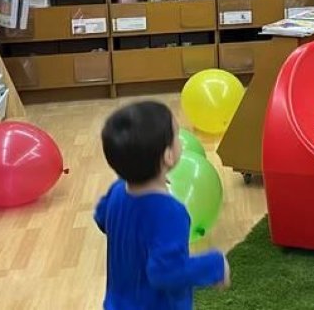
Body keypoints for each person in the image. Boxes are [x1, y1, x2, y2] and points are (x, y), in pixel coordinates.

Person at [95, 101, 229, 310]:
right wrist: (215, 265)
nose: (180, 138)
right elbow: (167, 272)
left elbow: (102, 218)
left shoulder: (117, 191)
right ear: (168, 156)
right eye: (176, 134)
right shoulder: (170, 212)